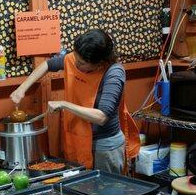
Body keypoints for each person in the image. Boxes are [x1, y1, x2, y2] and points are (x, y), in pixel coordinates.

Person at [10, 29, 140, 174]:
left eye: (82, 63)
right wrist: (22, 88)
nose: (76, 65)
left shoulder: (114, 73)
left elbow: (101, 117)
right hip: (78, 140)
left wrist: (64, 104)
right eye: (76, 59)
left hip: (104, 147)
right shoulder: (75, 59)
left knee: (106, 192)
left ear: (100, 63)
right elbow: (48, 65)